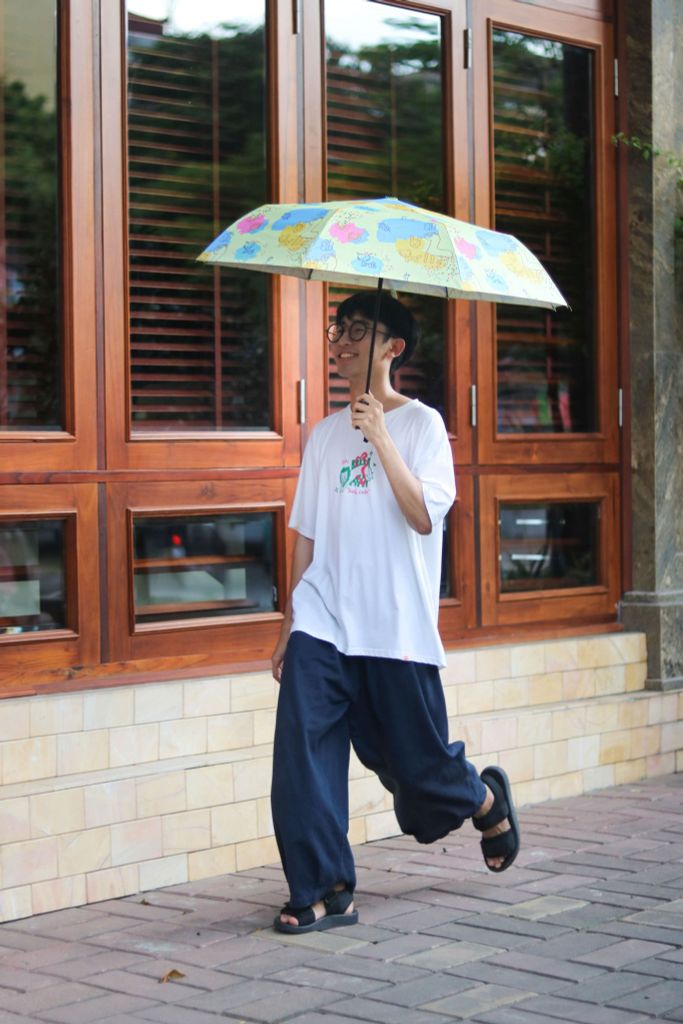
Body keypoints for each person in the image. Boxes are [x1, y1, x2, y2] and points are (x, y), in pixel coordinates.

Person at [270, 291, 520, 934]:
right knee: (302, 753)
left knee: (419, 778)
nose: (342, 341)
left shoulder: (423, 427)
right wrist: (289, 625)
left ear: (393, 348)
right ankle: (323, 890)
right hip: (324, 620)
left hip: (394, 629)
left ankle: (482, 797)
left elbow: (423, 515)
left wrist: (380, 435)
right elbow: (305, 536)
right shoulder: (323, 436)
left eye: (359, 330)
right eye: (339, 329)